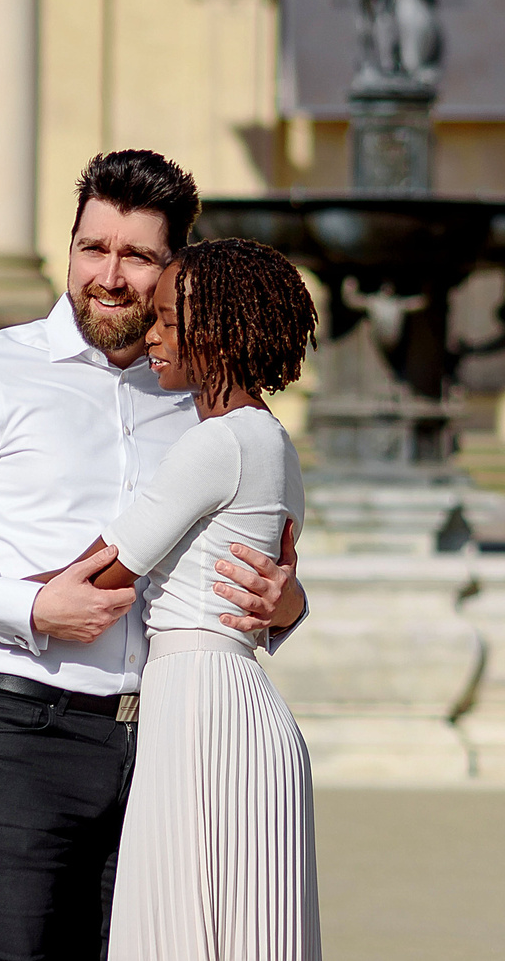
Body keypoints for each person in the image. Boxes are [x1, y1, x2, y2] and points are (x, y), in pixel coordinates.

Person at [0, 150, 309, 961]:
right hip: (20, 735)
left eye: (137, 255)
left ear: (175, 268)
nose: (109, 274)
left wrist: (287, 601)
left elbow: (260, 556)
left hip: (169, 751)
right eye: (91, 247)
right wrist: (20, 607)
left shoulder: (204, 395)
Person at [93, 237, 320, 961]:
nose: (150, 333)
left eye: (166, 318)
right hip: (232, 703)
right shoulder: (271, 440)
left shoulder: (216, 443)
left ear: (217, 327)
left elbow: (104, 572)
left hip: (202, 711)